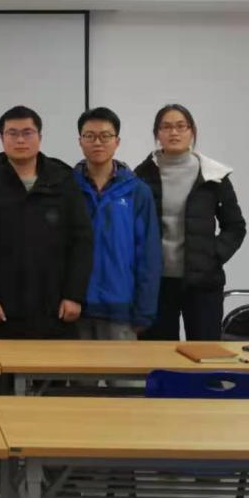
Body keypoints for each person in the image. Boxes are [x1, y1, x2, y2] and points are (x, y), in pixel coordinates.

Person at [0, 105, 94, 339]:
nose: (20, 140)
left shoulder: (62, 181)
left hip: (55, 306)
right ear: (2, 138)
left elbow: (81, 242)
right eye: (12, 133)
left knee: (53, 363)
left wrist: (74, 295)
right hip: (1, 308)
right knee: (1, 363)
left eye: (27, 132)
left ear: (39, 137)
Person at [135, 103, 247, 341]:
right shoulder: (142, 175)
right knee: (158, 354)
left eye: (181, 126)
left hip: (203, 283)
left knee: (205, 352)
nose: (174, 132)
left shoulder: (213, 175)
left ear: (192, 131)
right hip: (156, 283)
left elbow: (235, 227)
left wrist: (213, 255)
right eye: (166, 127)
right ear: (157, 134)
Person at [73, 107, 162, 340]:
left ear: (117, 141)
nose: (97, 142)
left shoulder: (137, 191)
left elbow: (148, 254)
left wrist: (145, 310)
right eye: (90, 136)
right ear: (80, 141)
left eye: (105, 136)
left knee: (123, 366)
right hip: (75, 307)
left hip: (122, 309)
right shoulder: (67, 188)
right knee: (76, 366)